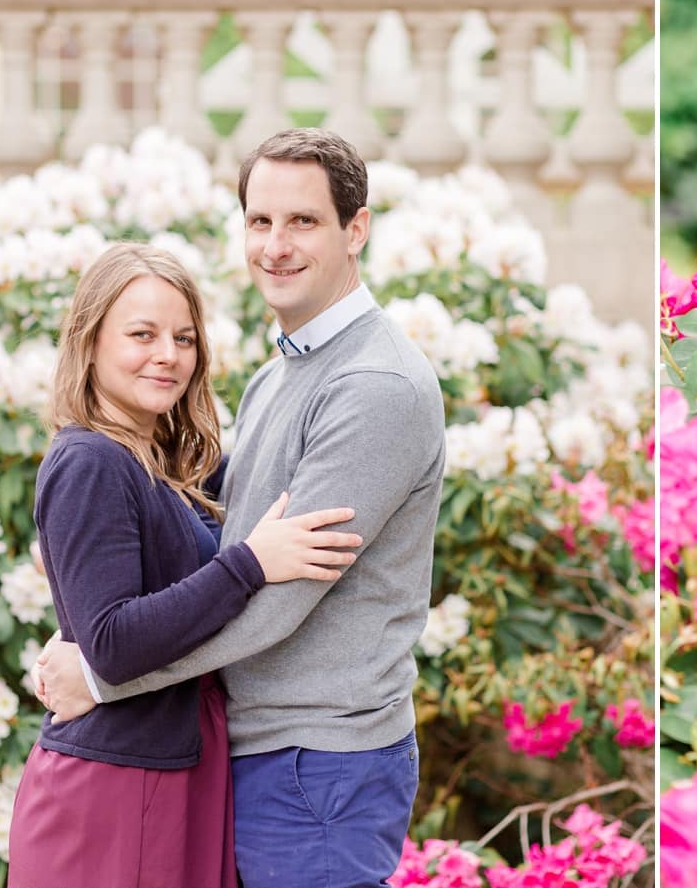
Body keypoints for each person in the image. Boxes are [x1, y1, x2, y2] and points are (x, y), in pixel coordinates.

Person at [35, 128, 447, 888]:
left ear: (356, 229)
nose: (276, 245)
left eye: (303, 221)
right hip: (260, 752)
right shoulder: (275, 376)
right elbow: (215, 542)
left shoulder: (373, 386)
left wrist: (102, 677)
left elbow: (278, 600)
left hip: (317, 757)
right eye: (260, 221)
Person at [9, 243, 364, 888]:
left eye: (184, 337)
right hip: (118, 787)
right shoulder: (90, 462)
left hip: (174, 767)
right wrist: (251, 564)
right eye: (141, 334)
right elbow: (112, 644)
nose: (167, 354)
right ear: (89, 343)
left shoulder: (162, 464)